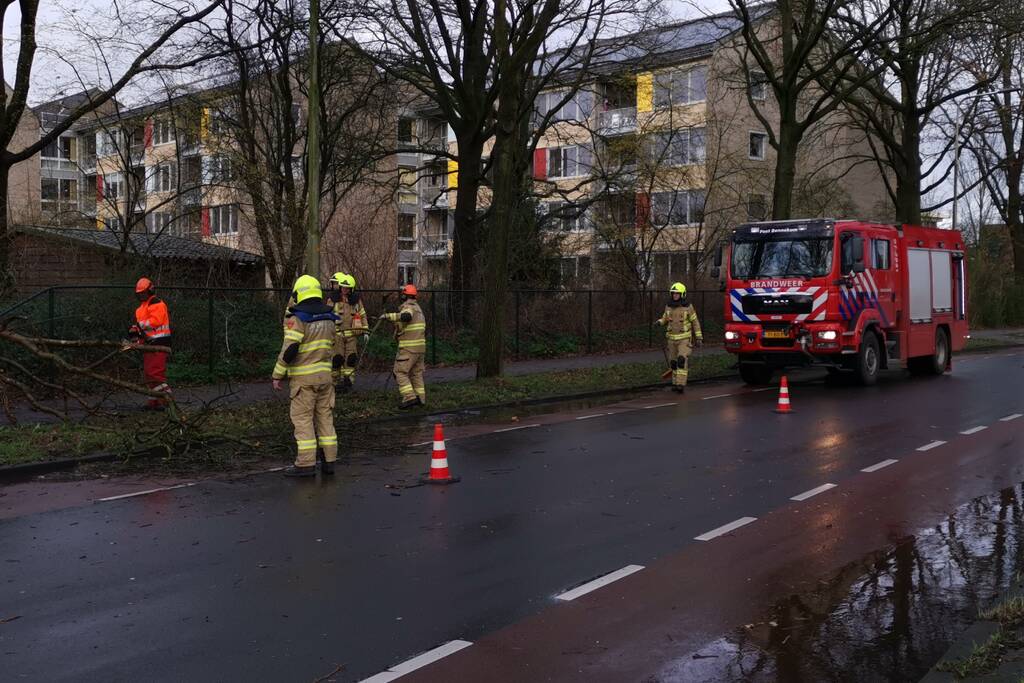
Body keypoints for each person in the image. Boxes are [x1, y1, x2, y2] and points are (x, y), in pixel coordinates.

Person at [272, 275, 342, 477]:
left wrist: (277, 374)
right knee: (325, 418)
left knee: (303, 420)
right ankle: (329, 462)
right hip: (325, 378)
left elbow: (290, 349)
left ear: (299, 293)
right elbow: (333, 347)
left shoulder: (299, 318)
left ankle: (305, 464)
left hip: (304, 380)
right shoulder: (330, 317)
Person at [380, 283, 426, 409]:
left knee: (400, 372)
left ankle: (409, 398)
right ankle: (420, 399)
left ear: (405, 296)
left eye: (402, 295)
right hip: (420, 348)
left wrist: (388, 316)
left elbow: (406, 317)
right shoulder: (418, 309)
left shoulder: (408, 306)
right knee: (416, 374)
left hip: (409, 348)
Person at [129, 277, 172, 409]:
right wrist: (134, 333)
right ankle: (153, 402)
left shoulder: (157, 303)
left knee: (155, 373)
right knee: (149, 373)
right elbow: (140, 326)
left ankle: (166, 401)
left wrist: (138, 327)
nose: (141, 295)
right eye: (139, 293)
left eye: (143, 293)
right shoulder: (141, 308)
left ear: (150, 291)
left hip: (159, 343)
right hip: (149, 344)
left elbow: (155, 321)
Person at [656, 282, 703, 393]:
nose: (675, 296)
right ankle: (675, 382)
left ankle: (681, 384)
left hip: (684, 339)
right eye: (673, 294)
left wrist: (699, 337)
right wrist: (659, 322)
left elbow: (695, 322)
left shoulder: (688, 307)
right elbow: (665, 319)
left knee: (681, 359)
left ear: (682, 294)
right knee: (673, 362)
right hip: (671, 339)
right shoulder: (668, 306)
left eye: (677, 294)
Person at [326, 272, 368, 392]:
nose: (344, 290)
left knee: (350, 359)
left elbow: (363, 315)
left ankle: (348, 382)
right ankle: (333, 383)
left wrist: (365, 331)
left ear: (351, 288)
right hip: (337, 335)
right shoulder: (332, 300)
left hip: (352, 335)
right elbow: (326, 316)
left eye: (347, 288)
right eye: (343, 287)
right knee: (337, 359)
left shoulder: (356, 301)